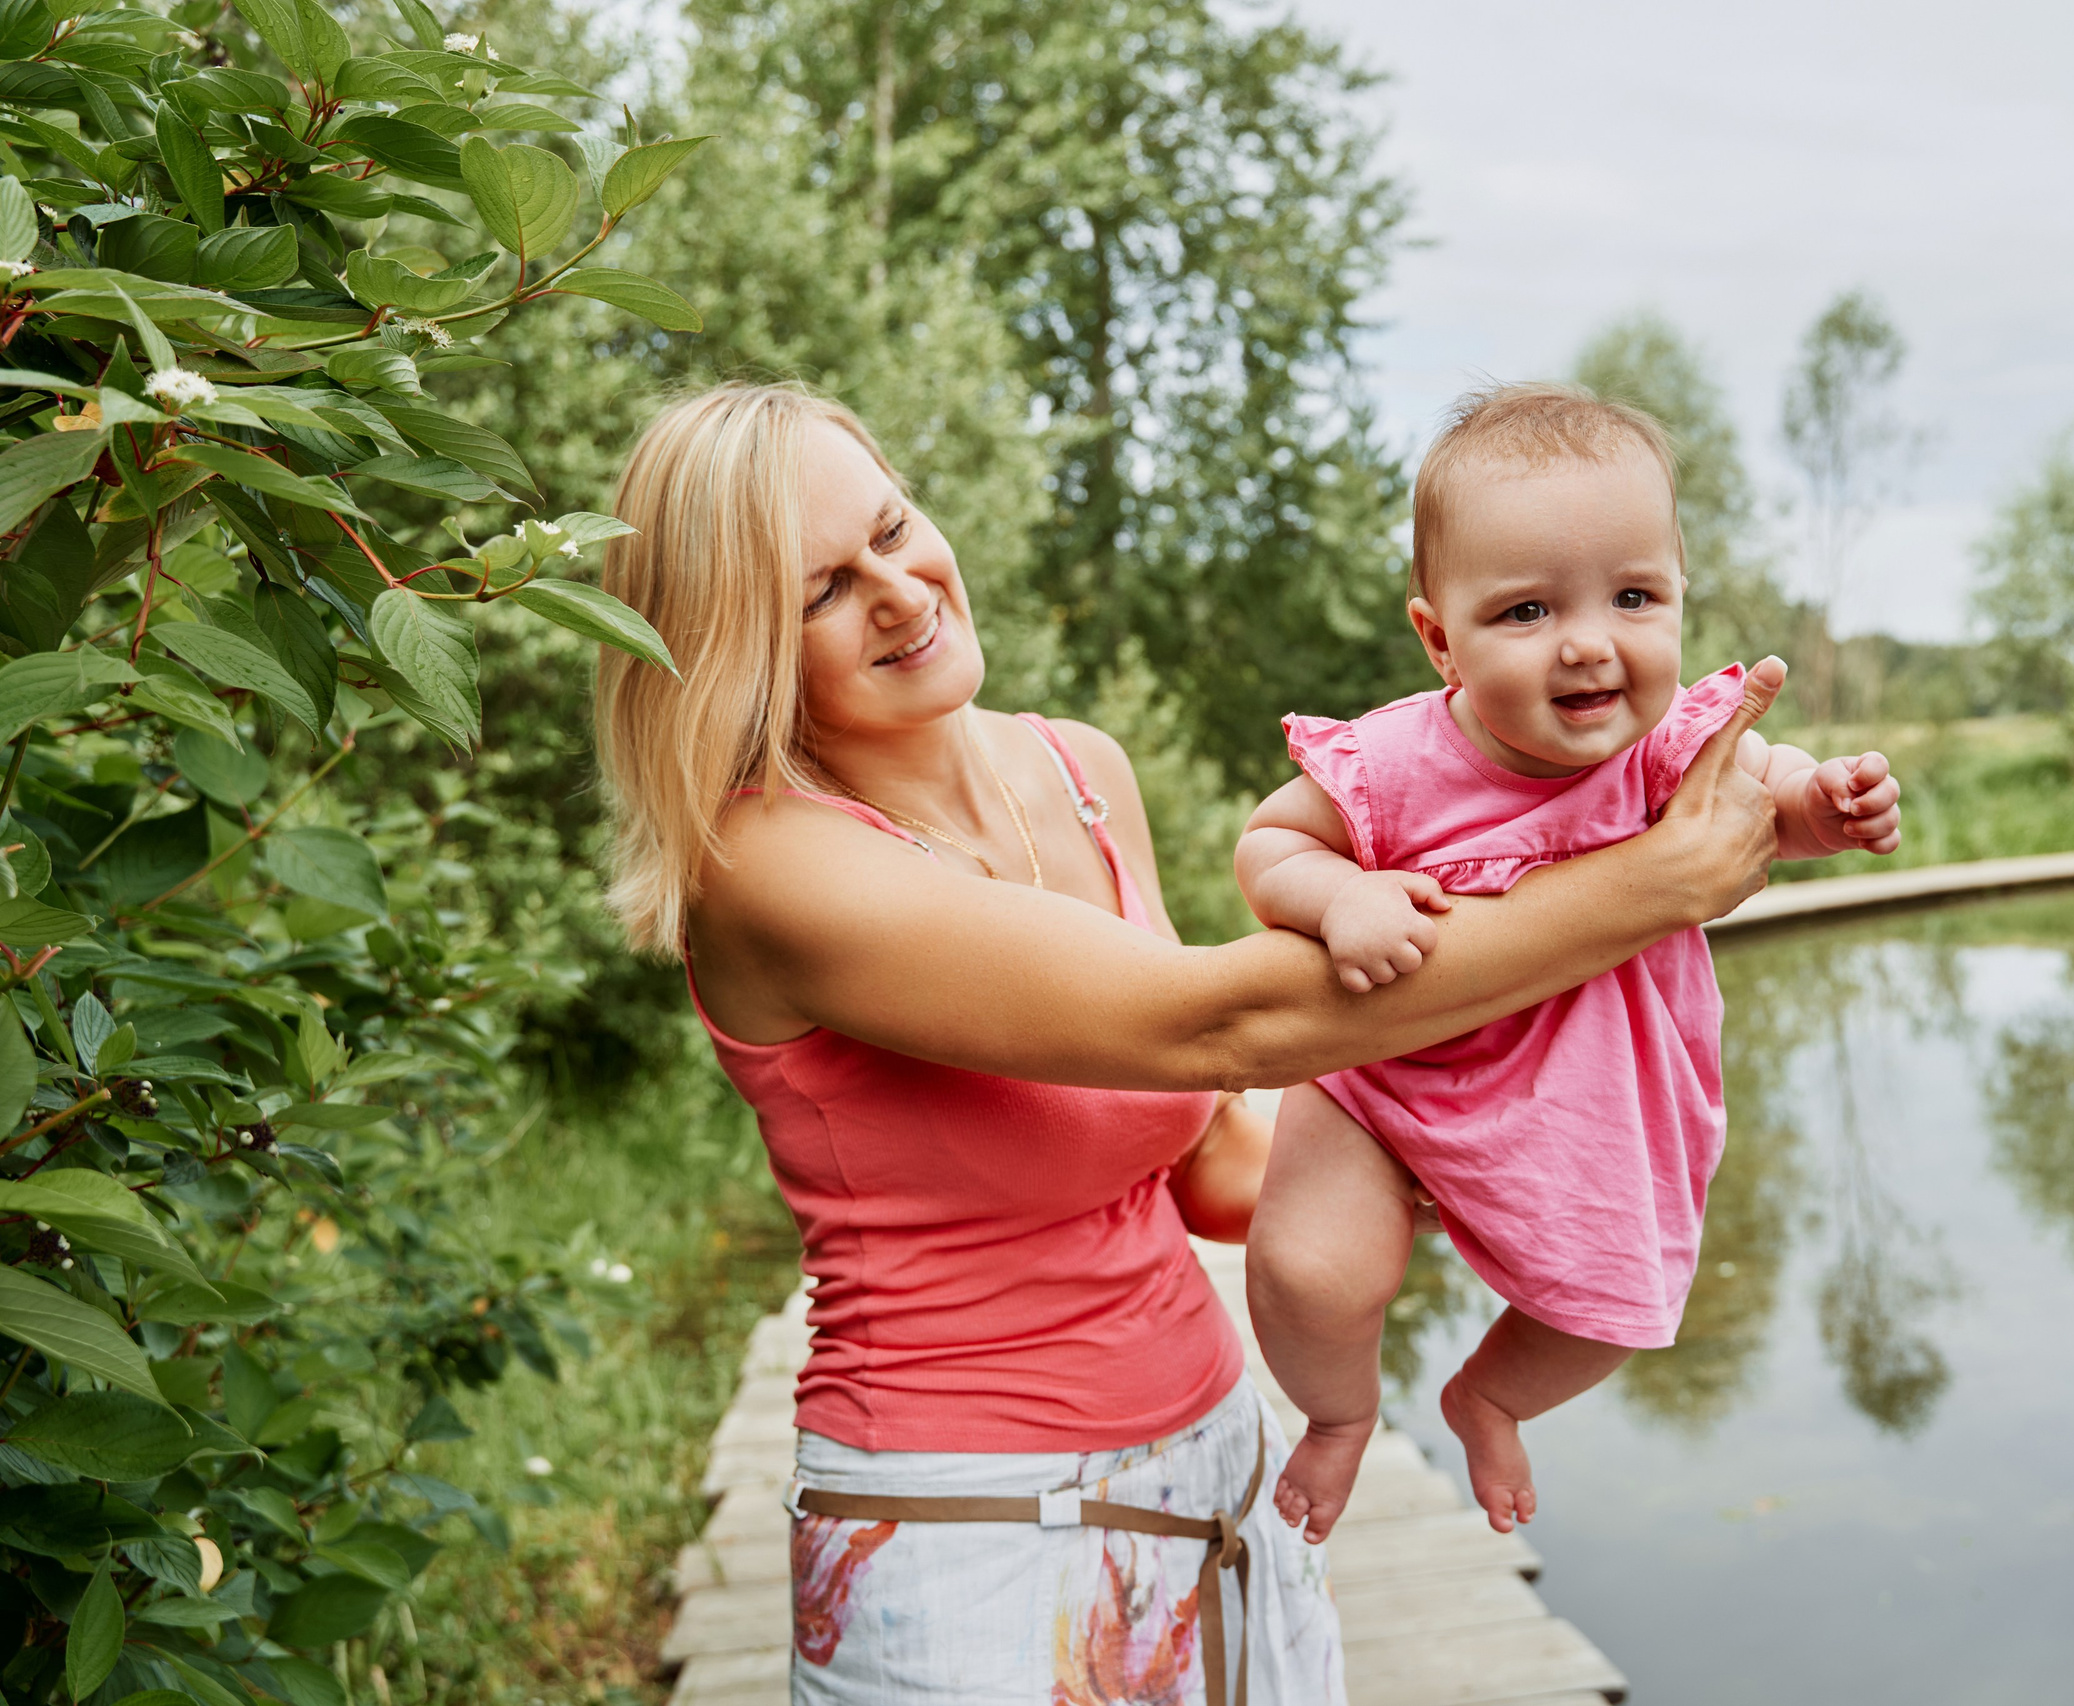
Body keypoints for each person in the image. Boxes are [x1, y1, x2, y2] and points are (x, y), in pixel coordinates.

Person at [594, 381, 1795, 1706]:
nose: (899, 588)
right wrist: (1658, 882)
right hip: (967, 1528)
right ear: (737, 646)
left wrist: (1488, 1161)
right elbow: (1221, 1024)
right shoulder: (766, 863)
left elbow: (1213, 1149)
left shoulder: (1079, 771)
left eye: (894, 524)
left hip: (1219, 1480)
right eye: (822, 587)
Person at [1235, 384, 1904, 1545]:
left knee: (1615, 1302)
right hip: (1385, 1076)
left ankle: (1487, 1392)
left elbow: (1765, 802)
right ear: (1439, 636)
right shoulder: (1395, 758)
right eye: (1528, 609)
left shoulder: (1675, 748)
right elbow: (1269, 841)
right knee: (1308, 1268)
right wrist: (1338, 893)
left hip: (1588, 1093)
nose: (1590, 641)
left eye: (1633, 596)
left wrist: (1822, 803)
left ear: (1680, 592)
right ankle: (1339, 1415)